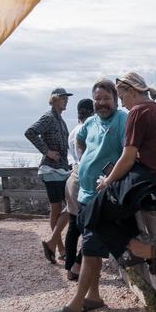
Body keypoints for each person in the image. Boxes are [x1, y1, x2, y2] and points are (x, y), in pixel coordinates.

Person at [85, 71, 156, 268]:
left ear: (131, 91)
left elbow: (128, 158)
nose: (122, 104)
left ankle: (142, 250)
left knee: (90, 214)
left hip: (150, 189)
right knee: (113, 211)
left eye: (122, 97)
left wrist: (107, 181)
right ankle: (138, 251)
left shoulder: (139, 111)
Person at [48, 79, 126, 312]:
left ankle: (76, 304)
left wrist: (111, 173)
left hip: (103, 198)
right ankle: (94, 295)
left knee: (91, 251)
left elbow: (129, 151)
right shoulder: (90, 122)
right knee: (90, 247)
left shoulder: (121, 119)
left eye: (106, 99)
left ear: (115, 99)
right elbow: (80, 139)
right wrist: (84, 159)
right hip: (84, 195)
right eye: (97, 99)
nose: (101, 103)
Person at [25, 87, 73, 263]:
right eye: (63, 98)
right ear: (54, 99)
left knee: (70, 205)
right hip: (50, 170)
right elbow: (30, 132)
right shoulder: (48, 117)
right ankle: (60, 248)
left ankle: (54, 245)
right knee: (57, 209)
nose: (66, 100)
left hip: (61, 169)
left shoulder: (60, 120)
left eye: (66, 98)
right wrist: (47, 152)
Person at [61, 97, 94, 281]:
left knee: (74, 226)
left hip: (72, 177)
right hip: (83, 178)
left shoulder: (73, 131)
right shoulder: (88, 129)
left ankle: (70, 268)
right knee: (93, 225)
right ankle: (77, 264)